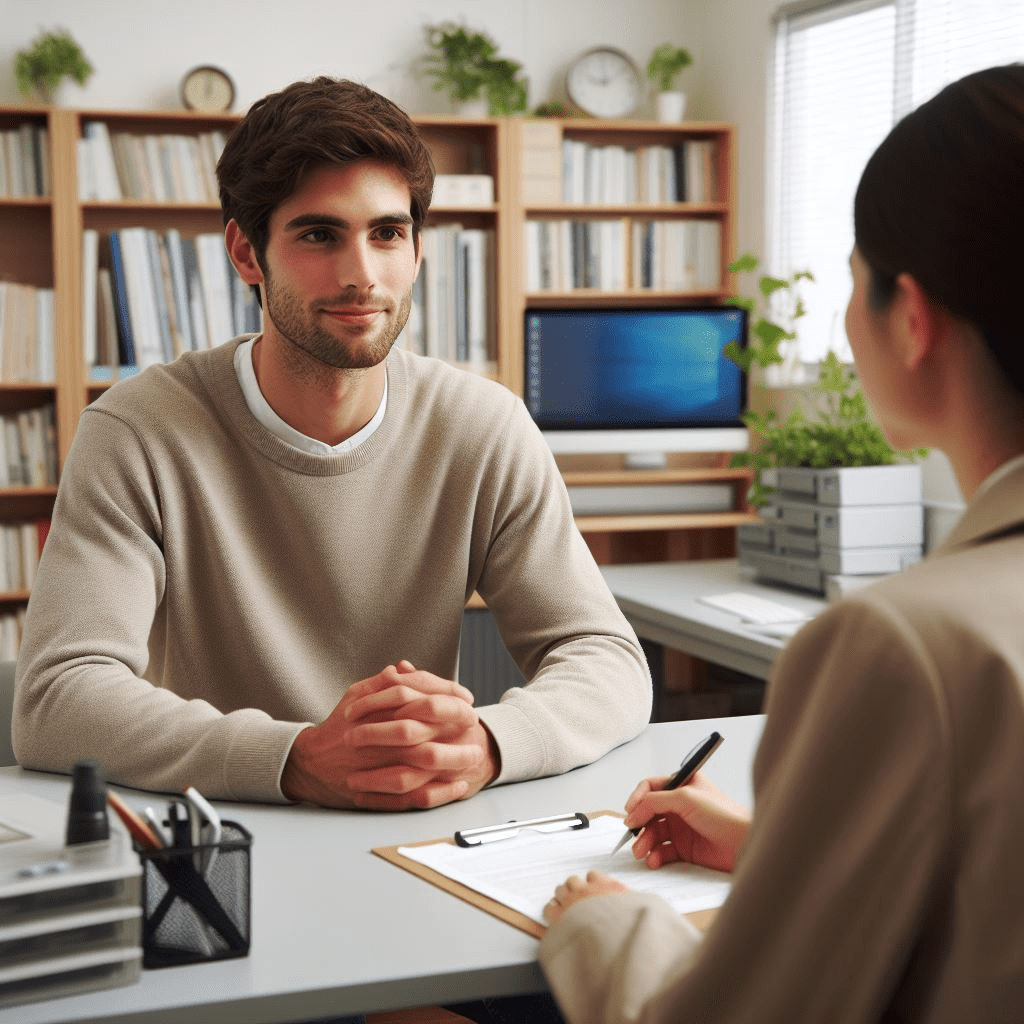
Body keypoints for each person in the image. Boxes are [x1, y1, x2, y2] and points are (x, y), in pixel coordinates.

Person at [11, 76, 651, 818]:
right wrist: (297, 758)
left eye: (387, 233)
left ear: (416, 252)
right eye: (320, 235)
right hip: (219, 833)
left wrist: (486, 743)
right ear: (247, 254)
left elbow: (607, 660)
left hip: (416, 832)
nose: (362, 275)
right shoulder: (137, 432)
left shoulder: (484, 427)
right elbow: (59, 698)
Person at [538, 63, 1024, 1023]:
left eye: (854, 285)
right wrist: (778, 848)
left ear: (912, 317)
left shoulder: (902, 645)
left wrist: (600, 924)